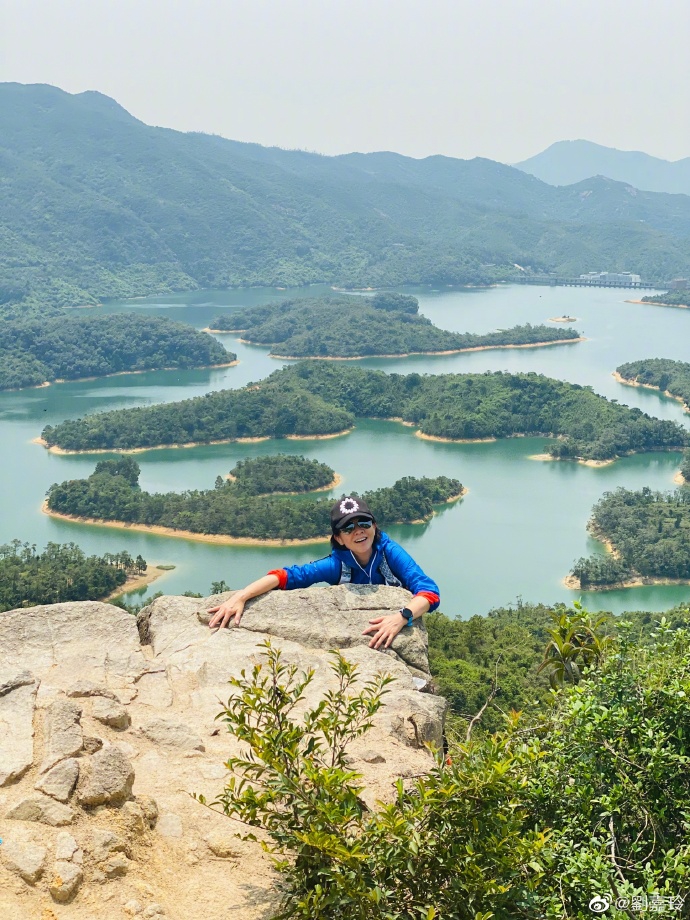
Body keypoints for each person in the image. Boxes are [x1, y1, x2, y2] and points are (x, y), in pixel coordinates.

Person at [207, 495, 440, 649]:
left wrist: (402, 617)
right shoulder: (336, 564)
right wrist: (240, 597)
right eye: (348, 528)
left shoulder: (389, 552)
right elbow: (285, 576)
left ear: (374, 526)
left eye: (364, 524)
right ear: (338, 538)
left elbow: (429, 592)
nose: (358, 531)